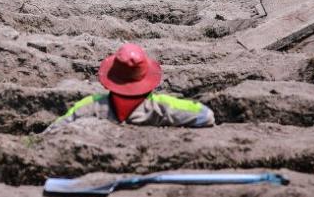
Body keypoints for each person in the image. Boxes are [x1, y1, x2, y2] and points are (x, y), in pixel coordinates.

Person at [46, 43, 215, 132]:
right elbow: (206, 116)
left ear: (111, 77)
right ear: (146, 78)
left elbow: (53, 131)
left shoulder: (90, 106)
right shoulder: (162, 107)